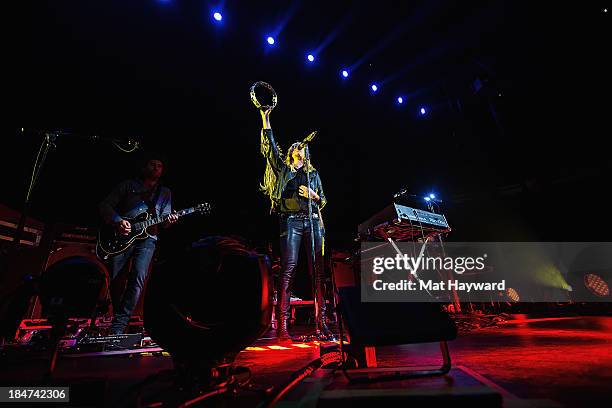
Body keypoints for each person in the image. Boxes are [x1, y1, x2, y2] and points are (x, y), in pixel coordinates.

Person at [258, 107, 333, 341]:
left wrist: (315, 196)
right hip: (291, 222)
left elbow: (323, 200)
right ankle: (282, 326)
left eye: (304, 147)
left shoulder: (314, 174)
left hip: (312, 222)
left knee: (318, 273)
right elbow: (270, 146)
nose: (301, 148)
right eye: (298, 146)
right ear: (292, 152)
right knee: (289, 270)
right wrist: (265, 116)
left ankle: (322, 324)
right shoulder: (283, 169)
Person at [99, 154, 178, 335]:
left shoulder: (165, 192)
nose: (156, 167)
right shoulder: (128, 185)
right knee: (116, 279)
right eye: (153, 164)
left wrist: (170, 220)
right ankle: (115, 318)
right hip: (122, 237)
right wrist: (118, 220)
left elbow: (164, 222)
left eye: (160, 165)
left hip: (149, 239)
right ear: (144, 166)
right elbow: (105, 205)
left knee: (137, 279)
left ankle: (118, 327)